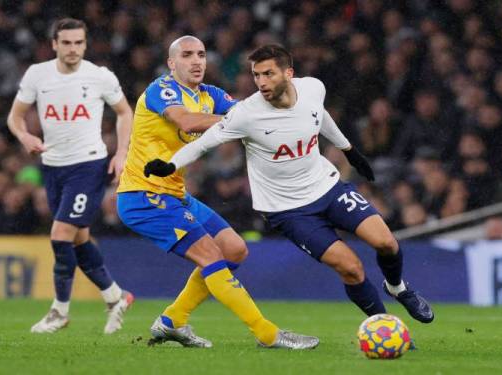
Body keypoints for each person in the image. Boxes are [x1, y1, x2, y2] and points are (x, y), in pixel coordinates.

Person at [145, 44, 434, 325]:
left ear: (288, 73)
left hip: (327, 187)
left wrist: (348, 150)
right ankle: (382, 325)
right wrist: (172, 164)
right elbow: (204, 143)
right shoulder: (246, 113)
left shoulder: (313, 88)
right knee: (352, 268)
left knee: (386, 242)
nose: (261, 82)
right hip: (288, 210)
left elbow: (319, 115)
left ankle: (397, 287)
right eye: (256, 75)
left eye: (268, 74)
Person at [116, 36, 318, 349]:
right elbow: (186, 120)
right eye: (186, 55)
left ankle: (172, 321)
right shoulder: (162, 90)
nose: (196, 61)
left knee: (234, 250)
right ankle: (267, 334)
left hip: (176, 195)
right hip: (144, 196)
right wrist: (239, 121)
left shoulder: (210, 94)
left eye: (201, 54)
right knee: (210, 254)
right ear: (172, 63)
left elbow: (251, 109)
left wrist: (289, 110)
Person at [7, 18, 134, 334]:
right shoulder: (38, 75)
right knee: (78, 239)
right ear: (54, 44)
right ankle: (115, 297)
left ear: (85, 44)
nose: (73, 48)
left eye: (79, 42)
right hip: (53, 167)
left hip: (89, 165)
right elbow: (15, 117)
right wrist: (25, 137)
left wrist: (120, 154)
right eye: (66, 42)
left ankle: (59, 311)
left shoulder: (99, 76)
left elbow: (124, 112)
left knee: (60, 234)